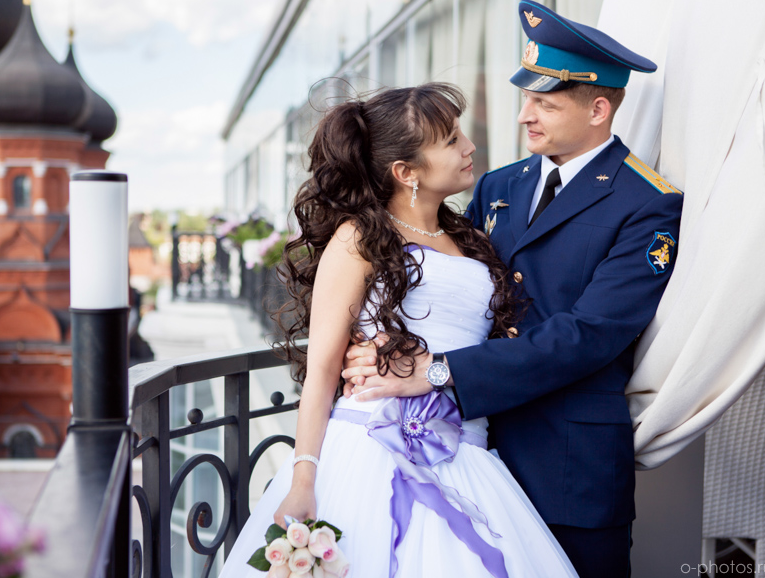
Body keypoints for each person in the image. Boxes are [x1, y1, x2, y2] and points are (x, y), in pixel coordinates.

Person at [341, 0, 684, 578]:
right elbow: (446, 279)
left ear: (599, 108)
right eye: (525, 98)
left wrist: (442, 371)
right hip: (464, 451)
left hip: (566, 467)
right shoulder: (500, 184)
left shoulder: (646, 203)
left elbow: (591, 334)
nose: (524, 115)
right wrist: (380, 343)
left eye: (544, 103)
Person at [217, 83, 577, 577]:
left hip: (466, 449)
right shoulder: (359, 237)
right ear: (406, 172)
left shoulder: (469, 237)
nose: (470, 147)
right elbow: (322, 370)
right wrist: (304, 478)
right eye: (450, 140)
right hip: (369, 448)